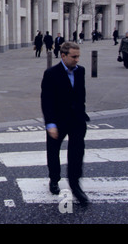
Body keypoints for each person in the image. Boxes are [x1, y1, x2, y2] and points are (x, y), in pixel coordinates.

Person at [41, 42, 90, 206]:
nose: (77, 60)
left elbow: (81, 95)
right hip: (58, 121)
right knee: (53, 152)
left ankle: (75, 185)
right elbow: (46, 101)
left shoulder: (81, 71)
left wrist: (82, 115)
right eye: (73, 56)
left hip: (77, 120)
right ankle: (54, 179)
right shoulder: (51, 74)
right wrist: (50, 124)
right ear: (63, 56)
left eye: (78, 56)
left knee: (77, 153)